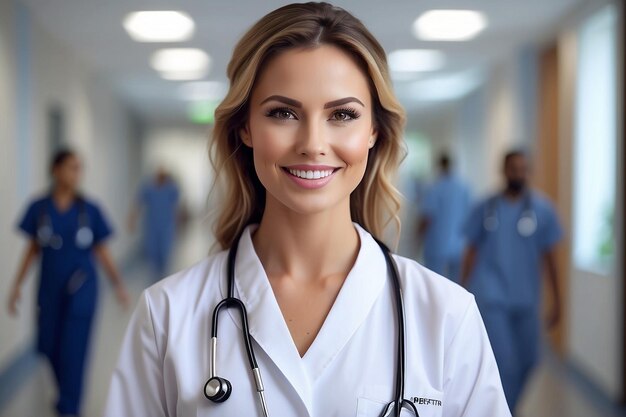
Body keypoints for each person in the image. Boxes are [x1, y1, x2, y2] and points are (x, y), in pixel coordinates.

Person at [104, 3, 510, 416]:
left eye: (342, 114)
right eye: (283, 113)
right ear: (245, 127)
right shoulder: (167, 314)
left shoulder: (447, 316)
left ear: (373, 131)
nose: (312, 143)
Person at [7, 149, 130, 417]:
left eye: (79, 168)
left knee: (74, 352)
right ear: (56, 170)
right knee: (49, 346)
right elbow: (32, 248)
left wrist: (118, 284)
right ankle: (65, 396)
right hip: (49, 290)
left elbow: (102, 251)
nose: (76, 174)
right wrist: (16, 285)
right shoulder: (39, 208)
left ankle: (69, 407)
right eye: (71, 167)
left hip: (82, 290)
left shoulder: (90, 210)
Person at [461, 150, 563, 414]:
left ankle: (508, 407)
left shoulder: (542, 210)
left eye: (523, 168)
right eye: (513, 168)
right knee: (505, 364)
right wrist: (461, 292)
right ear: (504, 170)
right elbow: (470, 251)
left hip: (527, 299)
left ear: (529, 172)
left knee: (530, 361)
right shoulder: (485, 207)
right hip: (492, 297)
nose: (518, 173)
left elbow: (551, 258)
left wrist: (559, 301)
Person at [416, 154, 470, 282]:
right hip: (458, 245)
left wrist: (416, 238)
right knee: (455, 284)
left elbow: (427, 217)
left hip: (437, 245)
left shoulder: (434, 188)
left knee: (434, 282)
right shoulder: (463, 188)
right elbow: (469, 216)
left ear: (439, 166)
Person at [128, 166, 180, 279]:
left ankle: (164, 279)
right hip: (152, 227)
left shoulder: (171, 188)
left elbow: (176, 207)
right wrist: (132, 220)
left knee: (165, 255)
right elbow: (138, 204)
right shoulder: (148, 188)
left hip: (166, 227)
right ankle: (154, 281)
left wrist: (177, 226)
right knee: (152, 256)